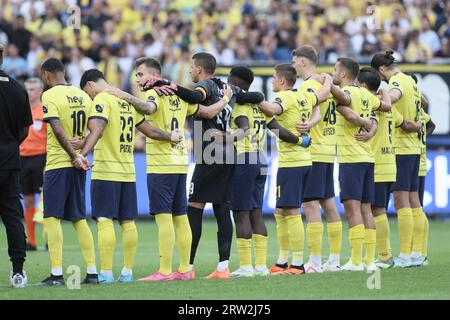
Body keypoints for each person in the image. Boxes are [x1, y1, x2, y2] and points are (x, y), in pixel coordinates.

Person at [108, 57, 235, 281]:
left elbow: (149, 108)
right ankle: (185, 269)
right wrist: (225, 100)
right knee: (180, 216)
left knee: (164, 217)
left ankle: (164, 270)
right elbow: (207, 113)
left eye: (140, 74)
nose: (137, 79)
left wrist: (122, 95)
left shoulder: (153, 93)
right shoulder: (179, 95)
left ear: (154, 76)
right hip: (180, 162)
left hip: (160, 163)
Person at [144, 52, 265, 278]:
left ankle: (187, 266)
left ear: (199, 69)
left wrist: (169, 85)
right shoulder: (228, 88)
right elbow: (256, 95)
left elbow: (194, 97)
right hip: (228, 153)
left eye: (191, 67)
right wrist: (236, 96)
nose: (189, 70)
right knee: (222, 209)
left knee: (193, 208)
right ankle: (223, 267)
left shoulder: (207, 86)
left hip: (209, 154)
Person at [79, 68, 179, 283]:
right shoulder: (127, 102)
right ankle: (127, 272)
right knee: (127, 221)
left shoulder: (102, 100)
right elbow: (150, 131)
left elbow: (98, 129)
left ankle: (105, 273)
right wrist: (170, 136)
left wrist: (82, 153)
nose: (90, 97)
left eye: (88, 93)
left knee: (104, 219)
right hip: (128, 171)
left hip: (106, 169)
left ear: (90, 85)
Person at [227, 66, 311, 277]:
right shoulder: (260, 108)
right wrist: (301, 141)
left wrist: (224, 138)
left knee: (240, 213)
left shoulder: (239, 108)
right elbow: (280, 132)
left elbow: (244, 130)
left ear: (235, 84)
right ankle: (261, 266)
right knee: (256, 212)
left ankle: (246, 267)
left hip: (244, 159)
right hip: (261, 161)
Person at [257, 64, 332, 275]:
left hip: (292, 163)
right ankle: (282, 260)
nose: (272, 82)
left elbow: (272, 111)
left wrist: (253, 98)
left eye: (273, 78)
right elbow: (323, 96)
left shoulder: (285, 98)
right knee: (280, 210)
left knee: (290, 211)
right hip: (304, 161)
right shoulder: (303, 96)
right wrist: (327, 80)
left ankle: (297, 263)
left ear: (282, 81)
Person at [38, 58, 98, 286]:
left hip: (58, 164)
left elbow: (56, 128)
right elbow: (96, 129)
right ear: (63, 72)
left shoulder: (50, 96)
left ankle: (56, 274)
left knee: (51, 217)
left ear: (46, 75)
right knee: (79, 219)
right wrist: (82, 153)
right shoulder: (82, 95)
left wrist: (73, 156)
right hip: (79, 165)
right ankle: (92, 273)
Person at [352, 67, 418, 269]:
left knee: (376, 210)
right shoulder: (388, 106)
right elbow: (404, 123)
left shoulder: (372, 107)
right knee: (378, 209)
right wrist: (418, 125)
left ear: (363, 85)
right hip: (391, 162)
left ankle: (384, 255)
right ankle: (391, 254)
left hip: (378, 163)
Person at [330, 57, 388, 271]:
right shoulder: (366, 94)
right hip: (368, 158)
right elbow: (378, 115)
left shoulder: (348, 94)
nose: (333, 72)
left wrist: (362, 122)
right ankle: (369, 260)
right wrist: (369, 127)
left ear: (343, 74)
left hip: (351, 158)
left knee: (352, 209)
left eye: (335, 69)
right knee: (366, 209)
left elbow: (346, 112)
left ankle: (355, 261)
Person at [370, 51, 426, 268]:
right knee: (413, 202)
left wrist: (374, 96)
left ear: (382, 70)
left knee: (403, 203)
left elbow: (393, 97)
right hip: (412, 147)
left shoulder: (397, 81)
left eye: (379, 75)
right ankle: (417, 253)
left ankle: (406, 254)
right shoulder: (412, 82)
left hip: (401, 148)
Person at [291, 45, 343, 273]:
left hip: (313, 151)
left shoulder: (310, 85)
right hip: (328, 150)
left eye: (294, 62)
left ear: (302, 62)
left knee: (310, 205)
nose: (293, 66)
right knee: (329, 205)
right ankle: (334, 259)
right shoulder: (327, 84)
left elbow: (313, 110)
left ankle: (314, 261)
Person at [0, 44, 32, 288]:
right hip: (9, 162)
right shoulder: (18, 90)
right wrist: (10, 146)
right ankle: (18, 272)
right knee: (12, 217)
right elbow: (23, 131)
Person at [20, 78, 46, 251]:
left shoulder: (45, 111)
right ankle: (32, 242)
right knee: (28, 200)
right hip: (22, 158)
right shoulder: (20, 110)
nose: (29, 92)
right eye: (27, 89)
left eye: (32, 89)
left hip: (41, 157)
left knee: (47, 201)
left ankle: (50, 240)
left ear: (40, 92)